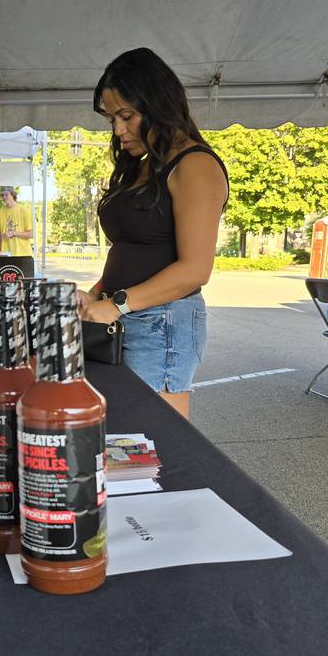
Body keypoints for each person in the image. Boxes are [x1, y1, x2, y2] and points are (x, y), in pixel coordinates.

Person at [77, 47, 229, 419]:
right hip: (127, 315)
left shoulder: (195, 166)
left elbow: (195, 270)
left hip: (162, 324)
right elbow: (137, 251)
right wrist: (96, 294)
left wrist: (116, 303)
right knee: (123, 440)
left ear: (158, 103)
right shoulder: (143, 166)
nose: (117, 129)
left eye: (126, 116)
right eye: (112, 118)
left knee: (154, 446)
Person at [0, 186, 33, 256]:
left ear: (12, 194)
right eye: (2, 195)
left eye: (6, 194)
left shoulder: (24, 211)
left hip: (23, 255)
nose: (4, 197)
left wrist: (13, 233)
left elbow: (31, 234)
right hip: (6, 255)